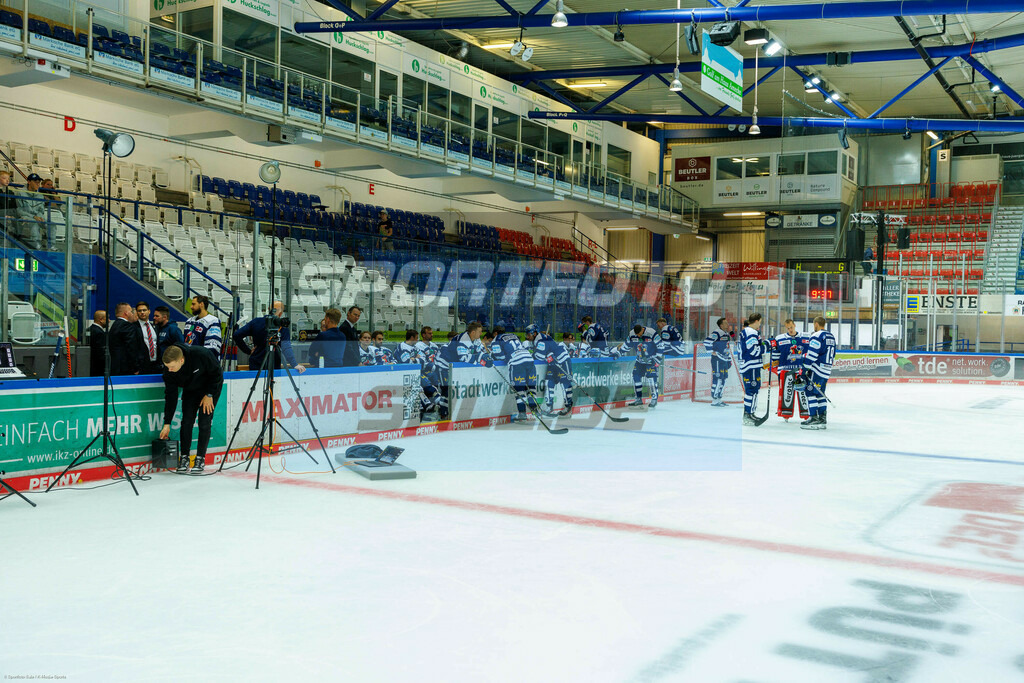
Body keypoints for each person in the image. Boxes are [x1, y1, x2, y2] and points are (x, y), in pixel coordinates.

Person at [159, 343, 224, 473]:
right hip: (191, 389)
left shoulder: (201, 354)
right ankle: (184, 457)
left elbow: (217, 374)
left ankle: (200, 458)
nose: (169, 370)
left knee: (204, 422)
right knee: (186, 421)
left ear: (181, 360)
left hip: (209, 388)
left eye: (171, 367)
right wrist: (167, 423)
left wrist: (209, 394)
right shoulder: (169, 371)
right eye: (167, 367)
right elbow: (170, 397)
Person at [232, 300, 306, 374]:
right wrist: (294, 364)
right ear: (281, 314)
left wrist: (248, 351)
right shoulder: (282, 327)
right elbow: (286, 348)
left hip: (256, 364)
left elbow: (236, 335)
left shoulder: (256, 322)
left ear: (268, 309)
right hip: (273, 365)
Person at [435, 322, 486, 421]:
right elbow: (463, 358)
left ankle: (448, 410)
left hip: (454, 365)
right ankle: (443, 413)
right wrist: (480, 357)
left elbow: (481, 352)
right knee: (447, 389)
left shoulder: (476, 339)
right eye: (480, 332)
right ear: (473, 332)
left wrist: (486, 357)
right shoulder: (463, 340)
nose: (481, 334)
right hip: (443, 364)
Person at [793, 316, 837, 430]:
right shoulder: (831, 336)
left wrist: (804, 369)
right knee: (820, 393)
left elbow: (812, 355)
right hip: (826, 370)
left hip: (816, 370)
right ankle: (822, 418)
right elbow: (833, 355)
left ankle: (813, 418)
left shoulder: (817, 336)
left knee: (810, 392)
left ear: (816, 324)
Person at [490, 325, 539, 423]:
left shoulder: (496, 339)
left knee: (519, 389)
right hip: (529, 359)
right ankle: (535, 410)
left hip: (516, 362)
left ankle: (522, 414)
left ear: (495, 333)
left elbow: (498, 356)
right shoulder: (513, 335)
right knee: (531, 388)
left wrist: (491, 355)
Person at [527, 324, 574, 416]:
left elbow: (539, 356)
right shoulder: (539, 339)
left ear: (535, 333)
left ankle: (568, 407)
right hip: (552, 363)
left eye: (529, 334)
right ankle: (549, 407)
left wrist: (532, 354)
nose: (528, 337)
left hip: (562, 360)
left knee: (565, 383)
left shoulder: (541, 340)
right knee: (549, 382)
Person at [771, 319, 809, 422]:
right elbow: (775, 356)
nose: (790, 330)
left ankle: (806, 414)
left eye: (791, 327)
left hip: (800, 370)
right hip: (785, 371)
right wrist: (775, 366)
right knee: (786, 393)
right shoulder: (779, 339)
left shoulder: (806, 337)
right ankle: (785, 414)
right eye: (788, 328)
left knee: (803, 393)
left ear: (795, 325)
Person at [738, 313, 768, 427]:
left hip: (750, 366)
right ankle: (747, 414)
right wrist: (767, 347)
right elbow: (754, 350)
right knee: (751, 390)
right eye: (760, 321)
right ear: (756, 321)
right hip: (751, 366)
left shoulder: (747, 332)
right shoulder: (751, 332)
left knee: (753, 390)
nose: (760, 324)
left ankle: (750, 413)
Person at [623, 324, 660, 409]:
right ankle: (638, 398)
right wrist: (618, 352)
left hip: (651, 361)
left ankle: (654, 398)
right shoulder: (632, 334)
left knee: (651, 378)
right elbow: (627, 345)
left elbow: (660, 345)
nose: (638, 336)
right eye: (637, 335)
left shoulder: (651, 332)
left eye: (639, 334)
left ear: (642, 330)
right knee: (636, 376)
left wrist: (657, 359)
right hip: (640, 361)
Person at [702, 317, 733, 407]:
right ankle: (714, 400)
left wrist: (729, 359)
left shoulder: (726, 334)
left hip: (724, 359)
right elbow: (707, 342)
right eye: (725, 323)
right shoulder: (717, 332)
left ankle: (719, 398)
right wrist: (712, 351)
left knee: (724, 379)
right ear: (721, 325)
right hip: (717, 360)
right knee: (718, 378)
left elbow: (726, 347)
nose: (727, 324)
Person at [108, 302, 143, 376]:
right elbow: (131, 348)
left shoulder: (114, 325)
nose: (132, 313)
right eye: (131, 311)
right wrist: (135, 367)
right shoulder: (127, 326)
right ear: (126, 313)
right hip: (125, 368)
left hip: (116, 366)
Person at [415, 326, 442, 419]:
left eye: (432, 333)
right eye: (429, 333)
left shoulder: (434, 346)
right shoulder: (418, 346)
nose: (432, 335)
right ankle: (429, 407)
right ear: (423, 335)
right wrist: (432, 367)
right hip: (423, 372)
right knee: (427, 386)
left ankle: (437, 405)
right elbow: (422, 361)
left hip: (435, 372)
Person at [13, 172, 45, 249]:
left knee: (52, 225)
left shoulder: (40, 195)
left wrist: (40, 217)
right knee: (34, 223)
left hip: (37, 217)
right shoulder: (20, 193)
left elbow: (41, 210)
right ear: (29, 182)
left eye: (39, 182)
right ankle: (35, 246)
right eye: (35, 182)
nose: (38, 184)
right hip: (25, 217)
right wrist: (34, 217)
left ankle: (51, 246)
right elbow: (19, 211)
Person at [136, 301, 160, 374]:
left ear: (149, 311)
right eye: (139, 311)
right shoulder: (133, 327)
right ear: (137, 313)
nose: (142, 312)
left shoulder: (155, 327)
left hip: (156, 364)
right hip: (142, 365)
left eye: (144, 310)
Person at [39, 178, 66, 245]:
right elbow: (50, 203)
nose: (50, 186)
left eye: (51, 185)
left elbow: (59, 202)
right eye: (48, 184)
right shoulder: (40, 192)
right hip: (46, 210)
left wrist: (54, 193)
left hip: (57, 210)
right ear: (42, 185)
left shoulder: (53, 193)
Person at [88, 310, 107, 377]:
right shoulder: (99, 333)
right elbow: (100, 353)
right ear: (101, 320)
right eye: (107, 318)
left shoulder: (90, 329)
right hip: (98, 369)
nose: (109, 321)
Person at [0, 170, 18, 238]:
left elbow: (14, 207)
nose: (7, 180)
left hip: (9, 218)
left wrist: (12, 215)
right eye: (4, 178)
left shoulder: (10, 193)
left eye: (8, 179)